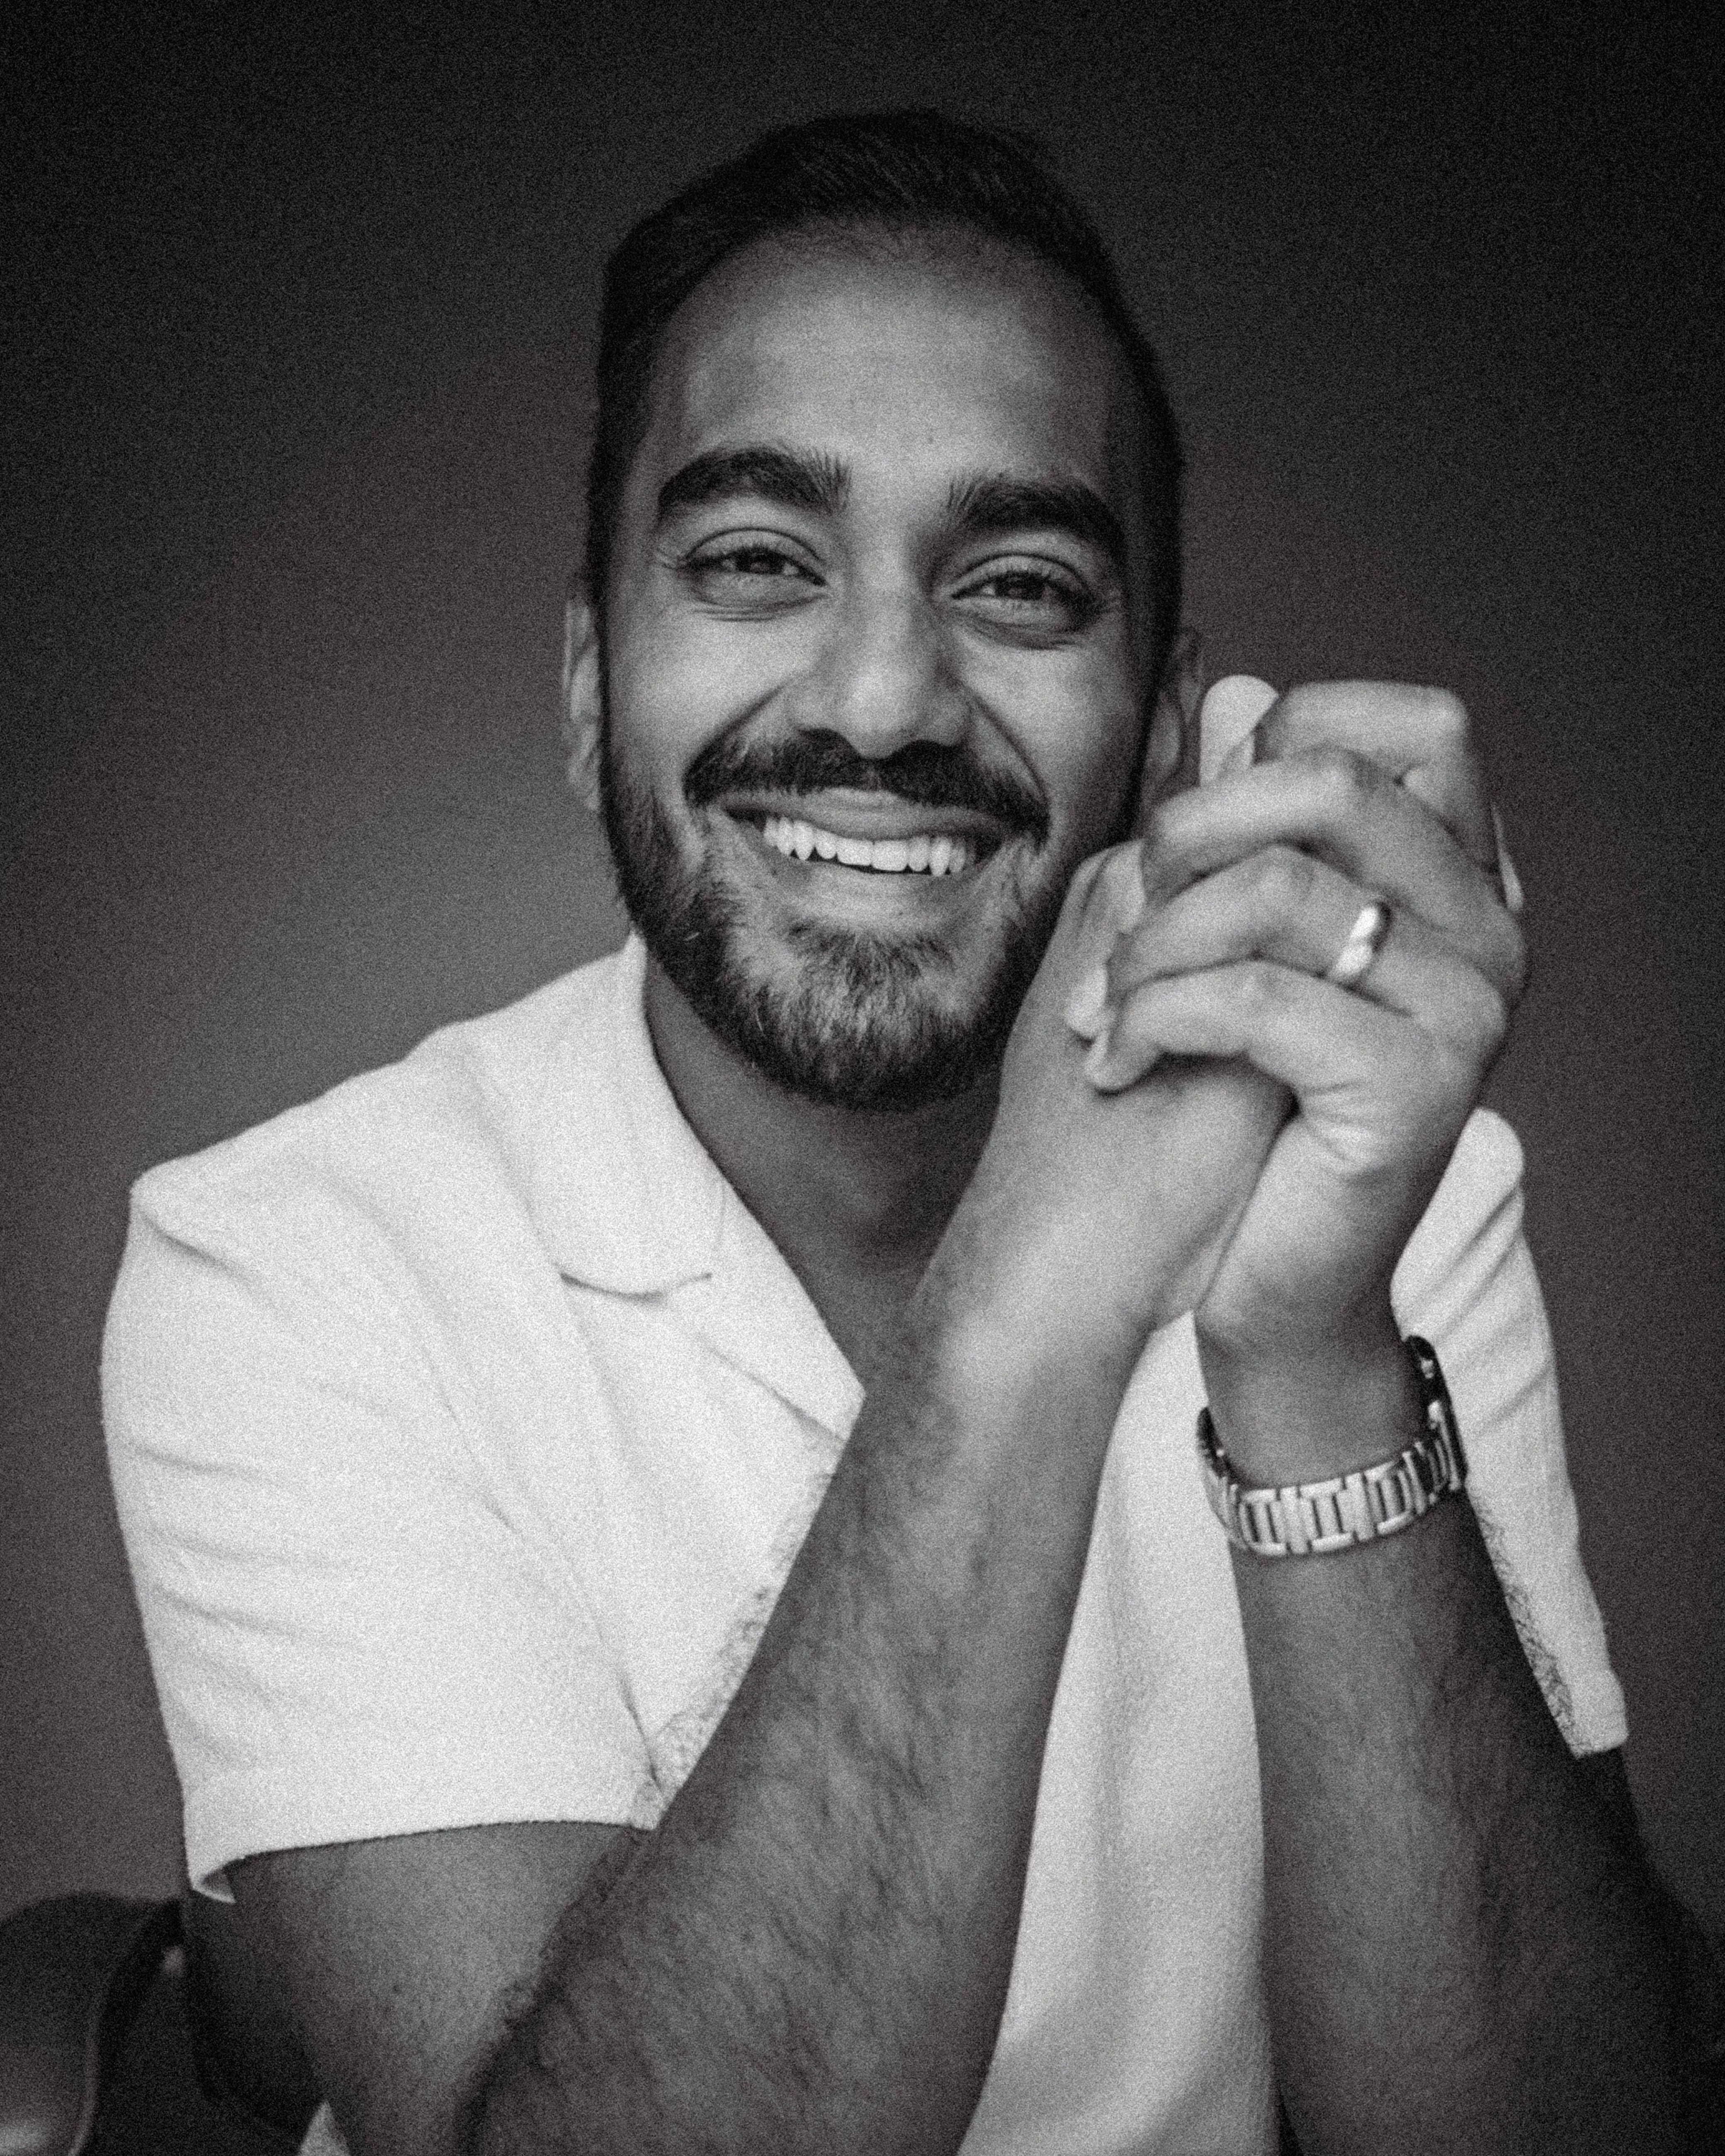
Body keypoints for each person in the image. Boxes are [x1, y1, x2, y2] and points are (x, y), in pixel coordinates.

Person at [102, 111, 1699, 2155]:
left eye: (1021, 584)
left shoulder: (1389, 1196)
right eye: (756, 561)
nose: (878, 696)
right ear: (593, 686)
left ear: (1159, 736)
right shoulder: (294, 1254)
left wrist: (1308, 1352)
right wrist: (1021, 1308)